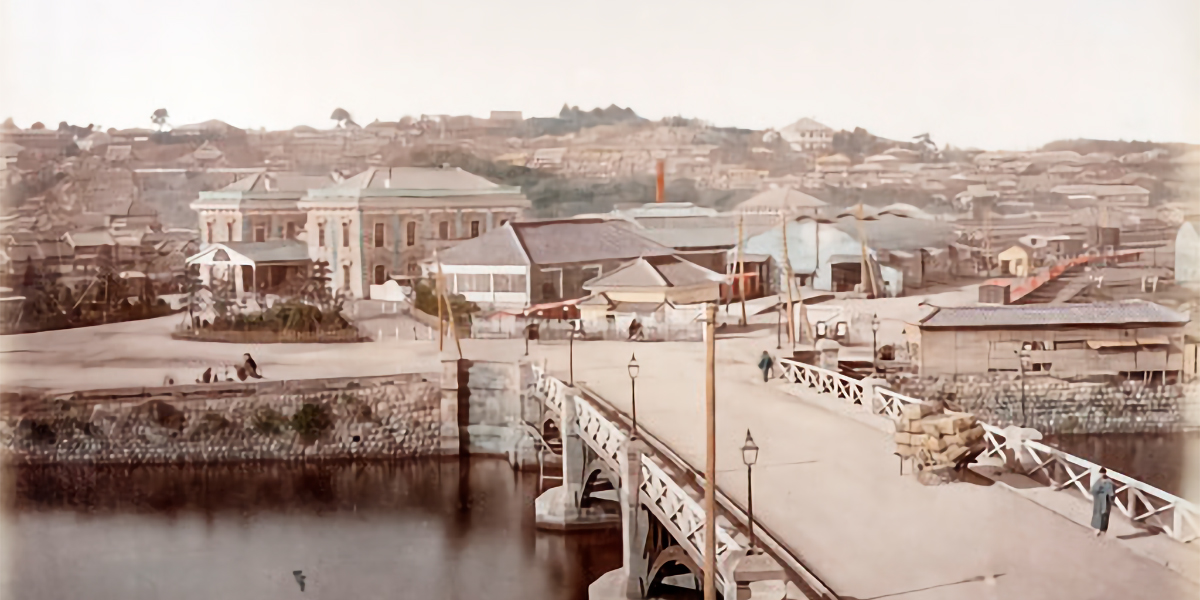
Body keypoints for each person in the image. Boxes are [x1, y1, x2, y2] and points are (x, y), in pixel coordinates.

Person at [1090, 468, 1116, 537]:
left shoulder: (1108, 482)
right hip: (1098, 499)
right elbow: (1093, 489)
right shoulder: (1099, 481)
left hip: (1105, 500)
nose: (1101, 474)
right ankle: (1097, 528)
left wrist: (1111, 498)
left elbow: (1111, 492)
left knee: (1104, 514)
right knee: (1097, 513)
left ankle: (1103, 529)